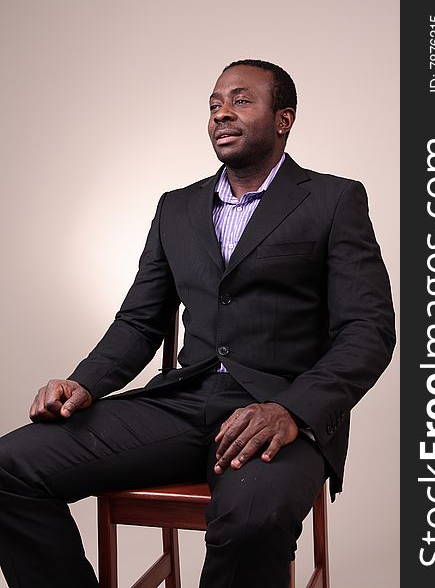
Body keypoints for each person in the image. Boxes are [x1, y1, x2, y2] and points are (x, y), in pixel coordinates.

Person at [0, 59, 395, 588]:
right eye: (213, 104)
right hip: (182, 403)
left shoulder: (333, 199)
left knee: (252, 523)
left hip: (277, 413)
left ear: (284, 118)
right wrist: (83, 383)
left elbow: (368, 329)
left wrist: (293, 410)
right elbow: (139, 321)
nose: (221, 114)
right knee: (8, 467)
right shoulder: (177, 208)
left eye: (240, 100)